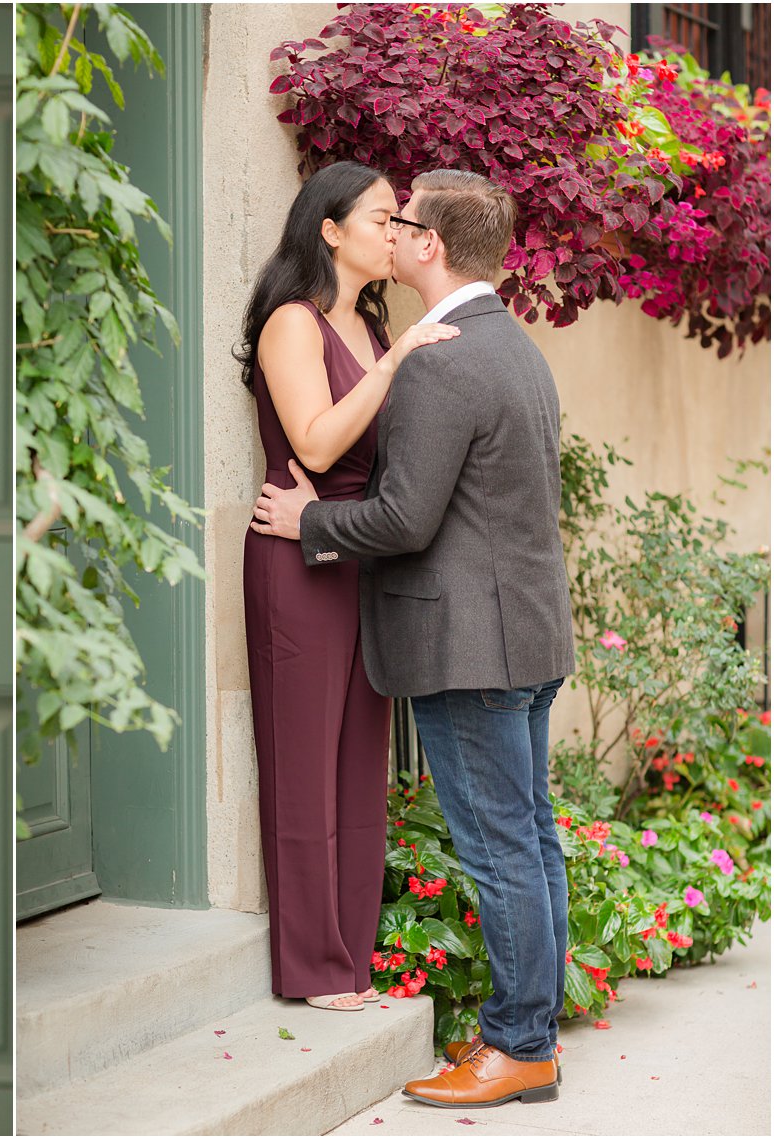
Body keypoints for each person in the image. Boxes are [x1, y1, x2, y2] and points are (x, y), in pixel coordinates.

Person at [253, 169, 575, 1107]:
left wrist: (308, 525)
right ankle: (535, 1039)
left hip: (466, 646)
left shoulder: (436, 354)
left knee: (500, 846)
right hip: (528, 635)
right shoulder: (514, 344)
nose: (390, 232)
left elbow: (403, 518)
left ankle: (518, 1046)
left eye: (403, 222)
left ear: (429, 245)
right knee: (533, 838)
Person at [236, 161, 459, 1013]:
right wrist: (401, 353)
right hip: (295, 563)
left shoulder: (371, 323)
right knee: (303, 764)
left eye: (398, 219)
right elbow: (320, 446)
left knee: (359, 766)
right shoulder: (294, 325)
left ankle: (352, 953)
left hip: (360, 555)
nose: (393, 231)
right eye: (378, 218)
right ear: (328, 230)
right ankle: (313, 965)